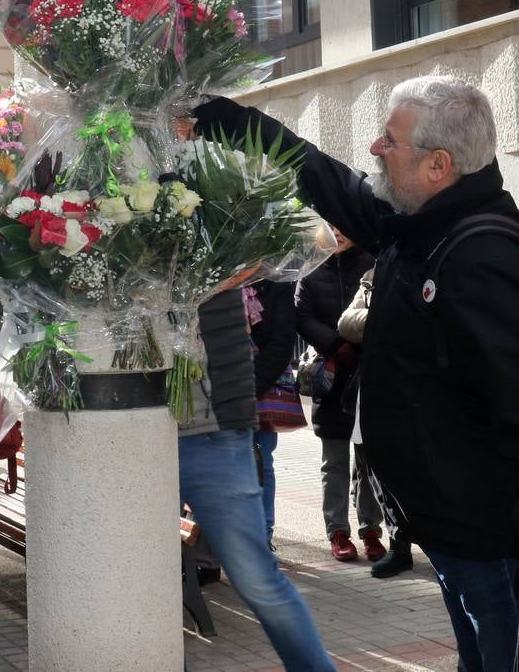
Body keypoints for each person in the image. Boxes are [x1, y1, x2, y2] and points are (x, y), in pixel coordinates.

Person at [194, 75, 519, 671]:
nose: (374, 149)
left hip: (491, 538)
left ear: (438, 165)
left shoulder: (480, 255)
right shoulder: (418, 225)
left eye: (389, 140)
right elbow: (333, 184)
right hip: (450, 528)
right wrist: (236, 123)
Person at [180, 287, 336, 671]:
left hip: (212, 427)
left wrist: (243, 399)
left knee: (255, 576)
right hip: (129, 427)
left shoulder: (232, 250)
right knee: (138, 576)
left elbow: (276, 336)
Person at [294, 226, 384, 563]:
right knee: (333, 461)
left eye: (344, 226)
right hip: (330, 376)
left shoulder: (372, 263)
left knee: (368, 460)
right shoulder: (312, 268)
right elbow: (301, 315)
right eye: (331, 227)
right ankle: (338, 531)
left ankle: (371, 529)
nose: (339, 233)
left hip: (368, 375)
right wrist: (335, 344)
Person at [338, 268, 414, 579]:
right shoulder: (373, 276)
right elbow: (346, 324)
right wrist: (385, 314)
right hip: (375, 387)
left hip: (419, 390)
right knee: (377, 471)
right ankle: (400, 547)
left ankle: (437, 546)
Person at [242, 280, 297, 548]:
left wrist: (251, 384)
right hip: (219, 384)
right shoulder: (223, 275)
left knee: (261, 459)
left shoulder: (278, 280)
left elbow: (283, 341)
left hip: (260, 385)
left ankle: (263, 536)